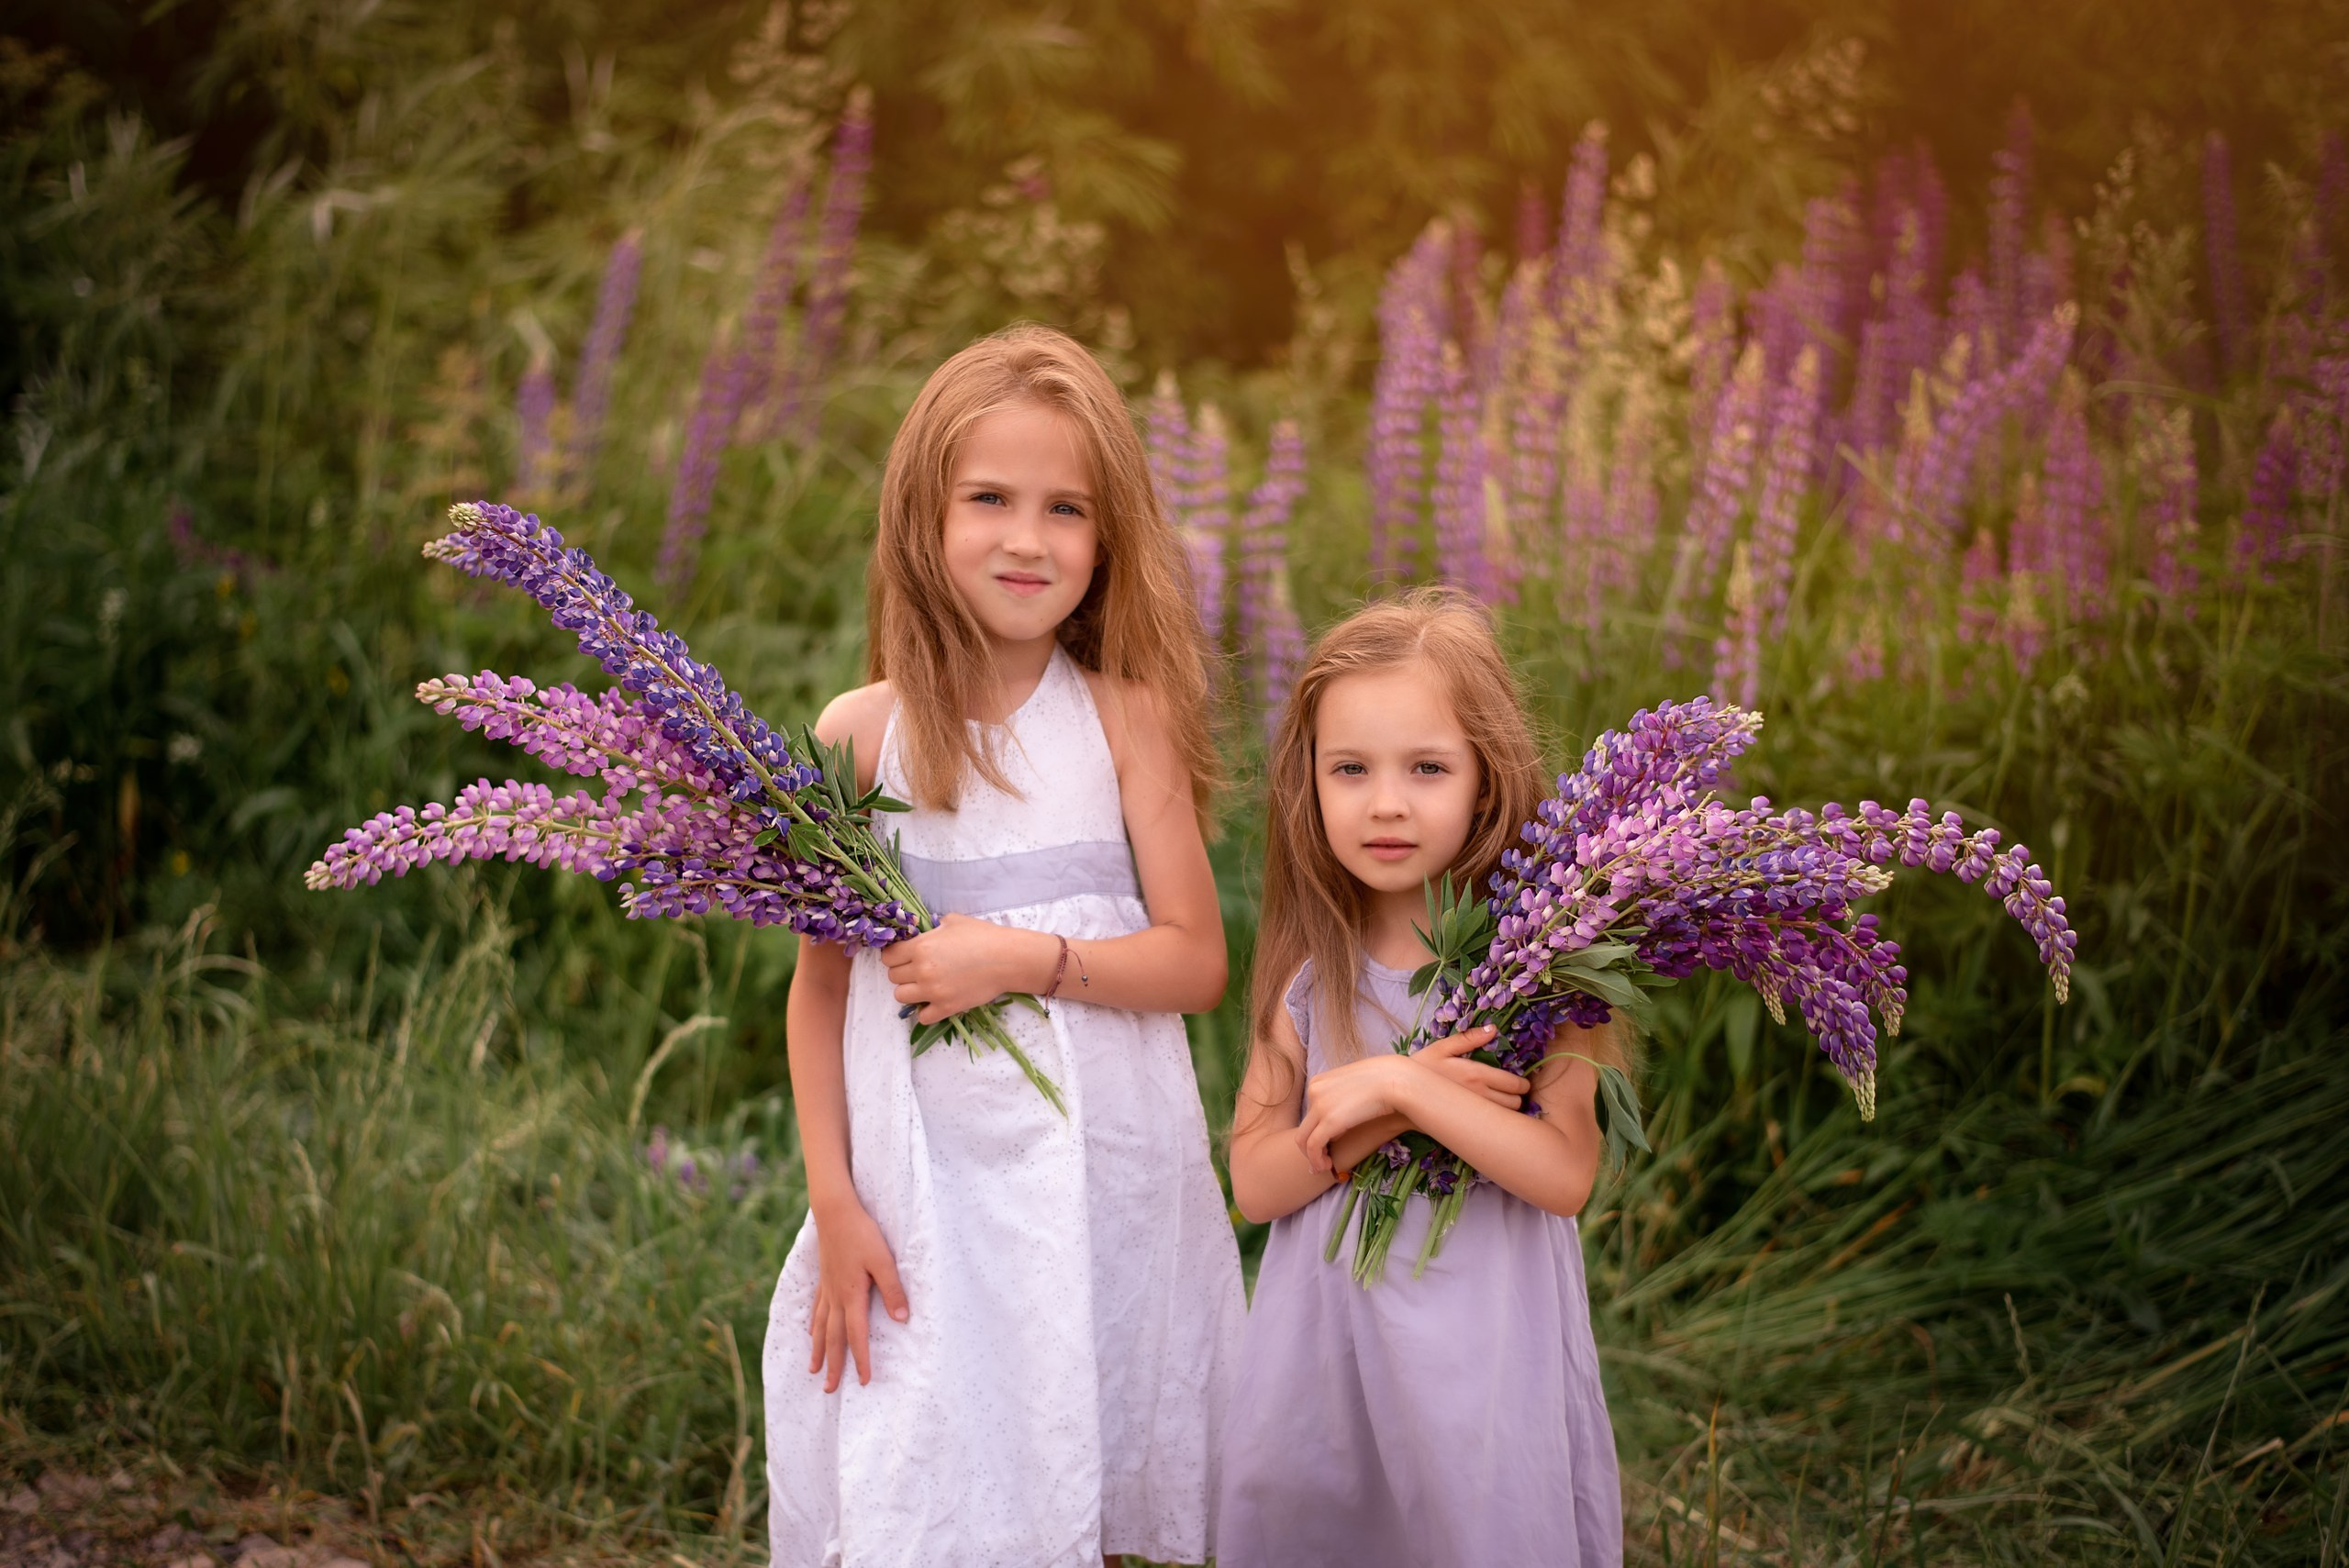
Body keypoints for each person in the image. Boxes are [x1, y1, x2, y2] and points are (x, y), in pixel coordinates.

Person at [763, 325, 1244, 1568]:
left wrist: (1024, 958)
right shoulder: (861, 737)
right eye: (990, 499)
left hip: (1099, 1175)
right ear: (922, 515)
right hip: (923, 1186)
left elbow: (1196, 960)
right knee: (927, 1447)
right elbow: (821, 995)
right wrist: (834, 1200)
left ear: (1106, 538)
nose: (1028, 539)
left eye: (1066, 509)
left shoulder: (1127, 721)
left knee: (1074, 1428)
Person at [1219, 586, 1627, 1566]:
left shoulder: (1540, 973)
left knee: (1467, 1522)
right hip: (1331, 1350)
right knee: (1329, 1519)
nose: (1386, 801)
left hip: (1481, 1349)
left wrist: (1402, 1088)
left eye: (1427, 767)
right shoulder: (1311, 975)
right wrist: (1370, 1110)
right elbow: (1254, 1182)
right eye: (1349, 768)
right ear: (1307, 783)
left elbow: (1564, 1173)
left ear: (1486, 782)